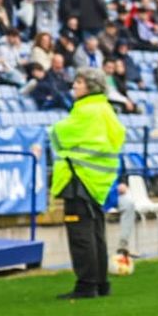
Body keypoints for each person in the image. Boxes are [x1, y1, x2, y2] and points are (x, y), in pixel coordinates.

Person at [51, 68, 126, 300]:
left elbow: (58, 134)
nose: (75, 85)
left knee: (81, 235)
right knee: (96, 233)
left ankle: (86, 285)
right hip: (97, 182)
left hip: (79, 179)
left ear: (91, 86)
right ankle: (101, 283)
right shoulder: (106, 109)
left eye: (79, 82)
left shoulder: (87, 111)